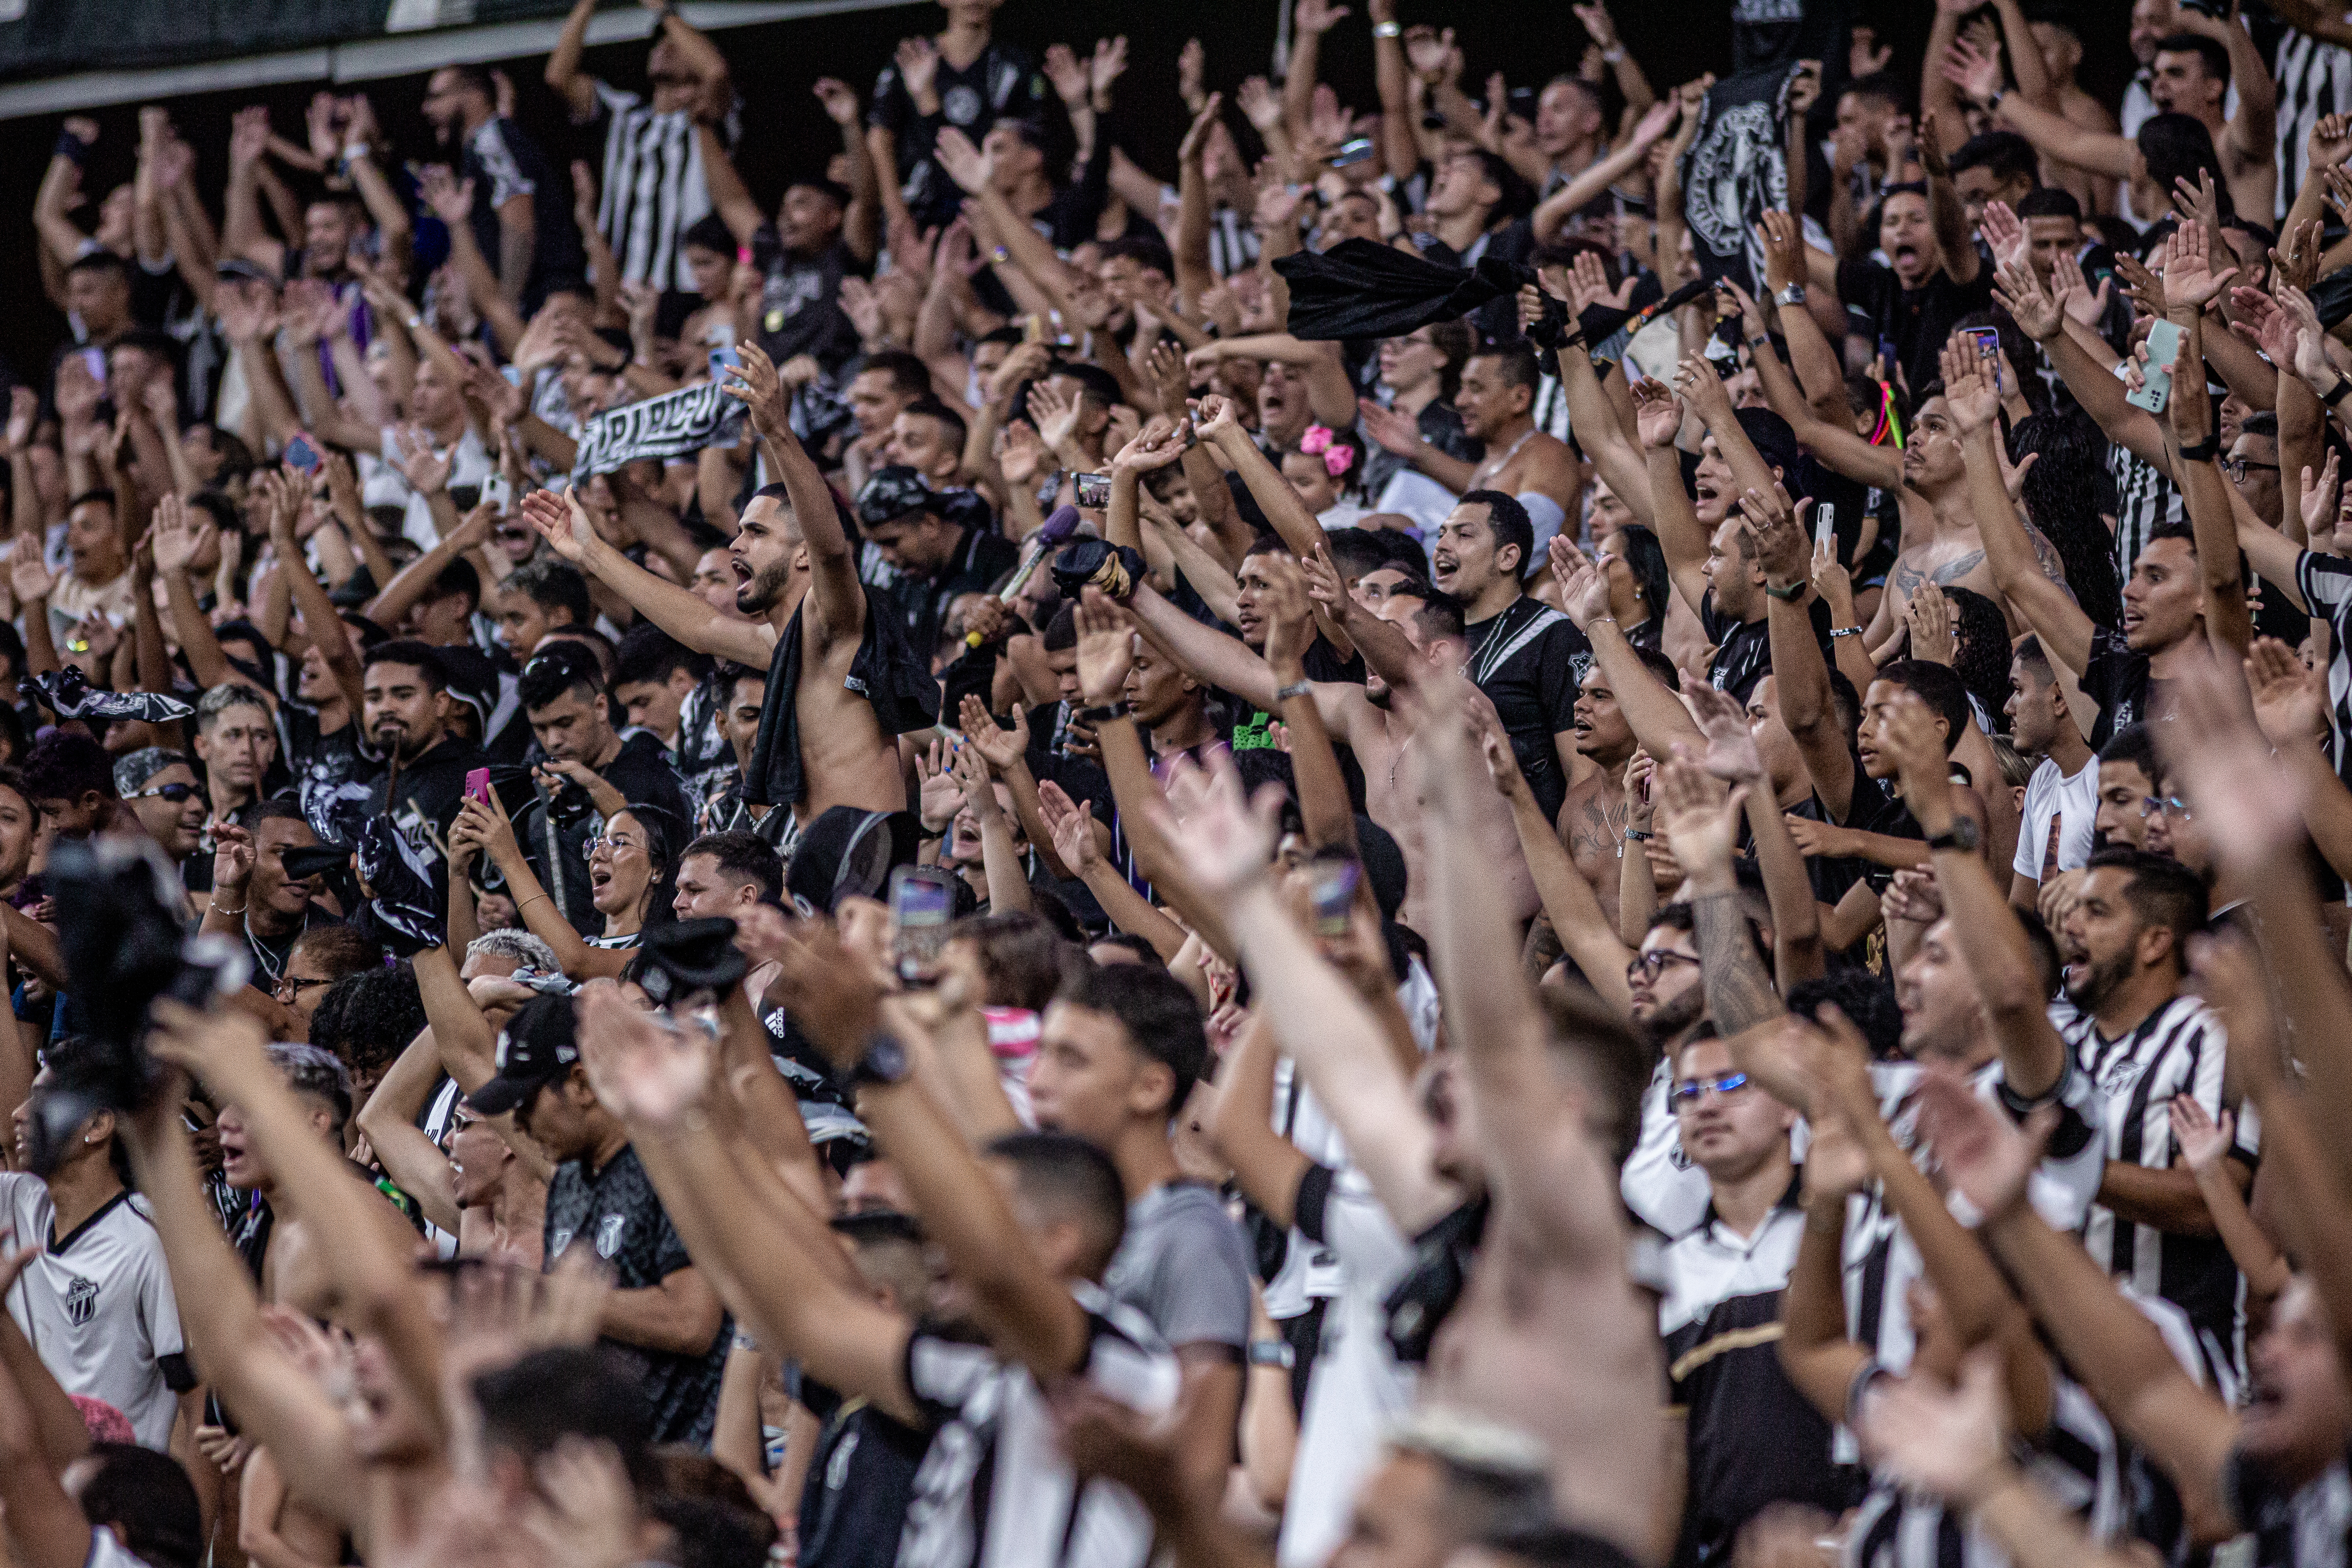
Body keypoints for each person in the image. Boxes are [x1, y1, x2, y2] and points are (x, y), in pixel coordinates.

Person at [523, 341, 934, 835]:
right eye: (739, 530)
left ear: (802, 553)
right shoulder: (784, 646)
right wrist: (593, 552)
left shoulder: (835, 626)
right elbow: (699, 625)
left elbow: (831, 548)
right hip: (819, 876)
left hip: (871, 874)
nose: (737, 543)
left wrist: (778, 432)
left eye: (756, 533)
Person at [466, 993, 730, 1446]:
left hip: (686, 1463)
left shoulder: (669, 1162)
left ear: (582, 1085)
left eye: (527, 1104)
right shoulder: (568, 1181)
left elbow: (692, 1321)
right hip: (603, 1456)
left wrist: (548, 1294)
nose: (520, 1125)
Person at [2006, 635, 2098, 905]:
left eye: (2019, 690)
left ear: (2059, 697)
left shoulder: (2107, 778)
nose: (2008, 708)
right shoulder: (2042, 780)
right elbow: (2021, 912)